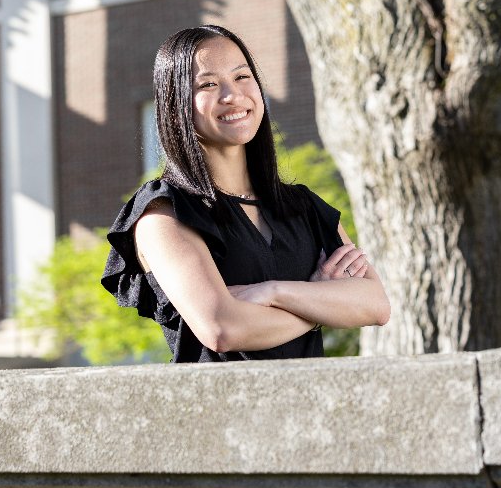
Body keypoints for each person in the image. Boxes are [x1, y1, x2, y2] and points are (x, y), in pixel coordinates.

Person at [101, 25, 391, 364]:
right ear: (175, 103)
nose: (232, 95)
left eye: (242, 77)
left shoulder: (301, 206)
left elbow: (375, 304)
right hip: (221, 411)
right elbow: (222, 329)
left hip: (310, 408)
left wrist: (272, 292)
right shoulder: (164, 213)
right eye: (208, 84)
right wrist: (323, 304)